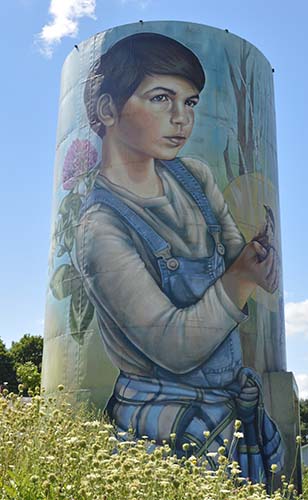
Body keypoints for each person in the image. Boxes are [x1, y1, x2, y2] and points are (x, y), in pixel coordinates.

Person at [76, 32, 283, 483]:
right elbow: (173, 346)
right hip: (160, 431)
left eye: (189, 103)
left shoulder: (194, 176)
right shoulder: (101, 228)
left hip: (234, 420)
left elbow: (234, 255)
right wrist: (243, 277)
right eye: (160, 98)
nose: (180, 118)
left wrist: (258, 258)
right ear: (108, 110)